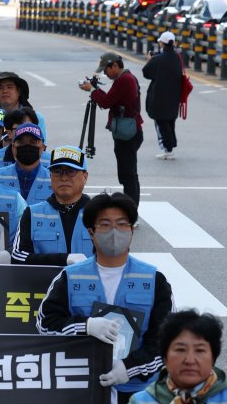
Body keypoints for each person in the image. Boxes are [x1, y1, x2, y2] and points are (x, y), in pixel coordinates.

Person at [37, 192, 174, 404]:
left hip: (137, 396)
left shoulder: (154, 279)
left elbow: (165, 343)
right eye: (105, 224)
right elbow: (45, 324)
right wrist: (85, 326)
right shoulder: (70, 277)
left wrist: (128, 368)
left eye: (122, 224)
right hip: (80, 392)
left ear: (132, 231)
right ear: (91, 232)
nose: (115, 231)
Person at [12, 145, 94, 266]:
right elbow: (17, 257)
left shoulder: (99, 213)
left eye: (71, 171)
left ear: (85, 177)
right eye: (57, 172)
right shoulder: (32, 213)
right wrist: (64, 259)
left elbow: (113, 256)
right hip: (44, 284)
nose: (64, 177)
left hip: (87, 284)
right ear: (50, 176)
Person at [79, 52, 143, 206]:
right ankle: (132, 209)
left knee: (128, 175)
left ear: (115, 65)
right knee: (129, 174)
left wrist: (92, 90)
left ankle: (131, 212)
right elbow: (111, 99)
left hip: (127, 133)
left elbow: (106, 102)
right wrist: (95, 90)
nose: (106, 74)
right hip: (128, 131)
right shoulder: (126, 78)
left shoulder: (124, 80)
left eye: (106, 70)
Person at [143, 30, 183, 160]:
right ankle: (170, 147)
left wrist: (150, 60)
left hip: (159, 96)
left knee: (161, 123)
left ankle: (167, 149)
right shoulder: (177, 57)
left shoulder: (158, 59)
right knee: (170, 121)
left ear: (162, 43)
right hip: (174, 95)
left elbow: (146, 73)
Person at [0, 123, 51, 206]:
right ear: (13, 147)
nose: (27, 146)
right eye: (21, 142)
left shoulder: (53, 180)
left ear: (43, 147)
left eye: (33, 142)